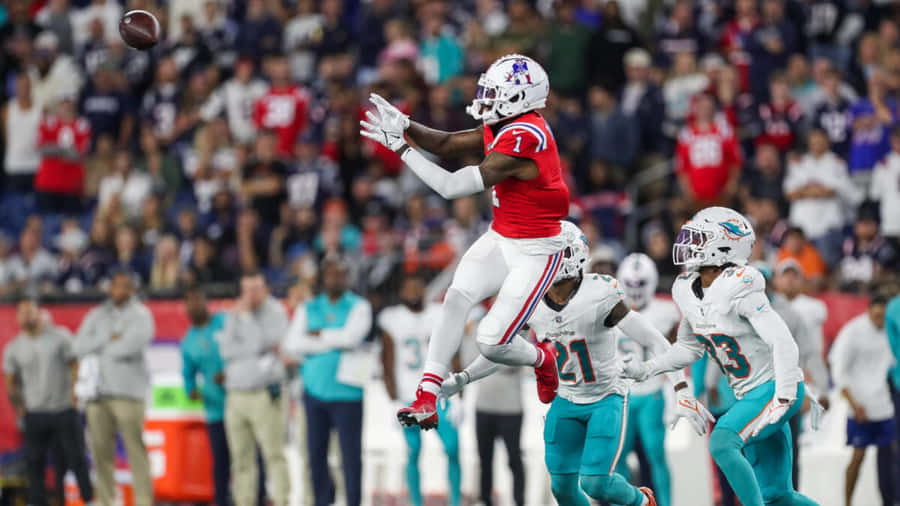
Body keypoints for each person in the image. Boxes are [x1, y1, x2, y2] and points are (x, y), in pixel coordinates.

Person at [360, 54, 568, 429]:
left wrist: (402, 149)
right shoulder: (508, 123)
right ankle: (426, 395)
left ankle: (543, 359)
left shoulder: (525, 136)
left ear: (521, 98)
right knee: (455, 299)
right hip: (503, 236)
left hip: (537, 251)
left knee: (491, 341)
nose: (486, 100)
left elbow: (452, 186)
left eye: (495, 93)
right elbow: (448, 143)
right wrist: (406, 125)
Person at [442, 221, 713, 506]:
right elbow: (501, 350)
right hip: (566, 398)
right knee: (562, 488)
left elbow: (656, 341)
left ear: (568, 258)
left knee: (595, 483)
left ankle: (643, 501)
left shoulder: (599, 294)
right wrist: (463, 378)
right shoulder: (530, 301)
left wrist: (681, 390)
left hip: (605, 396)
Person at [622, 207, 817, 506]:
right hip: (748, 395)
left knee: (722, 442)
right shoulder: (687, 289)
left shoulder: (741, 284)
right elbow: (688, 348)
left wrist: (785, 394)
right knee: (778, 495)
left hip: (772, 388)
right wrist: (646, 369)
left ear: (723, 246)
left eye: (699, 238)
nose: (689, 244)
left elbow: (783, 341)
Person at [282, 257, 373, 506]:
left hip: (348, 394)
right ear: (323, 277)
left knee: (350, 456)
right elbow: (292, 343)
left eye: (340, 274)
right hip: (314, 393)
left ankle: (353, 501)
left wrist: (318, 334)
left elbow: (351, 339)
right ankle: (323, 501)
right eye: (331, 274)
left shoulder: (359, 306)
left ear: (347, 277)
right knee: (315, 456)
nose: (335, 278)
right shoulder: (308, 307)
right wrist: (334, 339)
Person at [72, 269, 154, 506]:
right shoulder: (97, 314)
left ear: (132, 289)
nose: (119, 290)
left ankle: (144, 501)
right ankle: (106, 501)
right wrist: (111, 337)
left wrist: (100, 345)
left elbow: (131, 346)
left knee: (135, 451)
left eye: (124, 286)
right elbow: (78, 346)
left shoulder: (141, 314)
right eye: (115, 285)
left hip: (128, 394)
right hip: (98, 394)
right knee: (100, 453)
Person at [380, 274, 461, 506]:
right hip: (408, 395)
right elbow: (386, 361)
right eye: (409, 287)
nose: (414, 292)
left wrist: (459, 396)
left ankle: (455, 502)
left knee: (453, 448)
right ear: (402, 292)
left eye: (418, 286)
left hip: (440, 394)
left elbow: (454, 353)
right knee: (413, 451)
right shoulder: (392, 318)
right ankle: (416, 502)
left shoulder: (439, 314)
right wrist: (392, 400)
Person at [3, 298, 93, 506]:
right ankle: (37, 501)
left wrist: (74, 395)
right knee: (34, 463)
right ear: (17, 317)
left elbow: (76, 365)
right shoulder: (14, 347)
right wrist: (20, 408)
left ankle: (88, 499)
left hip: (63, 409)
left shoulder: (59, 337)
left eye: (30, 311)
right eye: (22, 312)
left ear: (38, 312)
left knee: (76, 458)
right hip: (34, 413)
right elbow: (10, 381)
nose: (27, 315)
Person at [217, 271, 290, 506]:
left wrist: (247, 321)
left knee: (273, 455)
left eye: (255, 289)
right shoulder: (233, 314)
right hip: (236, 395)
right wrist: (252, 346)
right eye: (245, 289)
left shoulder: (275, 312)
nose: (249, 295)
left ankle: (282, 500)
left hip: (264, 394)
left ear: (266, 289)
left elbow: (264, 342)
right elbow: (225, 350)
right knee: (240, 459)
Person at [615, 253, 681, 506]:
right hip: (623, 395)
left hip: (651, 392)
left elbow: (680, 348)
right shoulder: (611, 311)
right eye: (630, 284)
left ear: (651, 282)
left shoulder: (665, 312)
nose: (634, 291)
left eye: (640, 284)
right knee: (617, 459)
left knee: (656, 454)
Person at [829, 294, 896, 506]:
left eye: (883, 317)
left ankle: (889, 500)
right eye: (876, 315)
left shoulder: (890, 330)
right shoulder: (852, 332)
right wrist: (853, 405)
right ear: (868, 311)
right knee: (858, 458)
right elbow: (839, 370)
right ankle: (847, 502)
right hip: (859, 405)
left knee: (890, 459)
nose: (879, 320)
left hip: (884, 405)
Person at [181, 285, 230, 506]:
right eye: (190, 302)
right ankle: (222, 501)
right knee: (220, 460)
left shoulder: (225, 322)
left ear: (207, 302)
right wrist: (191, 390)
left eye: (198, 300)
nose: (195, 306)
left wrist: (230, 372)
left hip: (240, 399)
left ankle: (257, 497)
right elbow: (188, 375)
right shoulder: (188, 341)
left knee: (249, 454)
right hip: (215, 408)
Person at [474, 364, 525, 506]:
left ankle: (519, 501)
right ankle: (485, 499)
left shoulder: (519, 340)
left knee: (514, 458)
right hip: (484, 405)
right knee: (484, 458)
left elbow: (514, 361)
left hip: (511, 407)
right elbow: (469, 360)